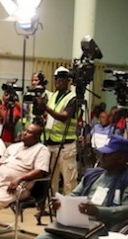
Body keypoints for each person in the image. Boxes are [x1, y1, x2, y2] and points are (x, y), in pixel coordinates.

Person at [36, 66, 78, 195]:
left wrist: (46, 108)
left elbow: (64, 117)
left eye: (62, 80)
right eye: (56, 79)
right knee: (51, 180)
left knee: (68, 181)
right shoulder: (53, 96)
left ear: (68, 81)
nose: (58, 82)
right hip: (51, 143)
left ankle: (68, 211)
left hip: (66, 145)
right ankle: (53, 208)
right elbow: (50, 115)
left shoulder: (73, 98)